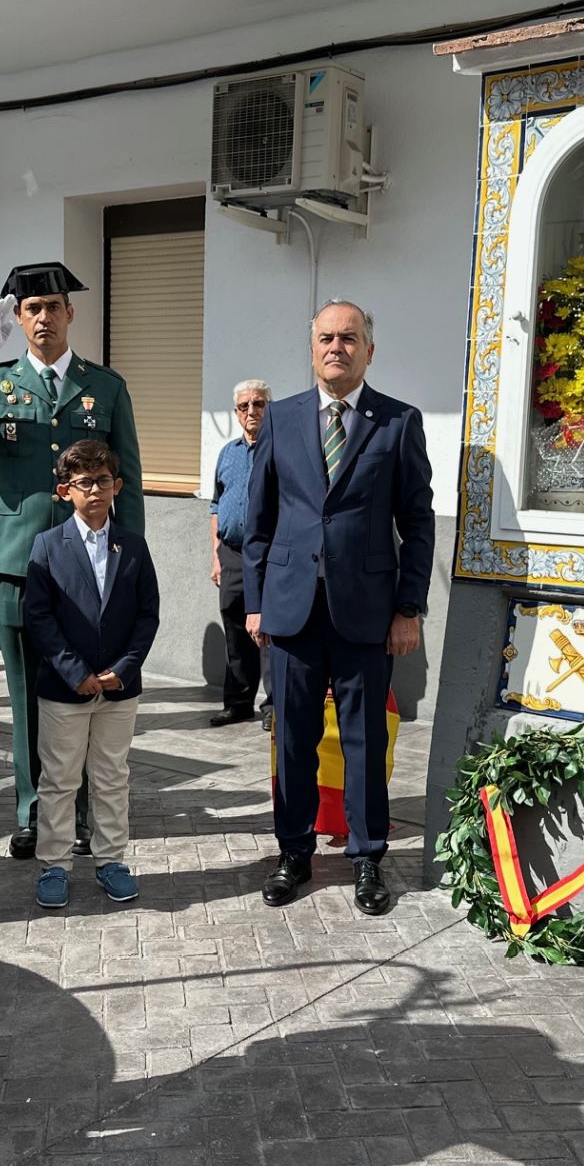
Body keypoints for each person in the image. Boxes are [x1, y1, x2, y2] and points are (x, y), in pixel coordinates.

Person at [0, 263, 144, 859]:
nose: (44, 317)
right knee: (25, 692)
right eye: (31, 309)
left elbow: (126, 476)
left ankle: (78, 812)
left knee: (81, 688)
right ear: (18, 319)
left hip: (89, 562)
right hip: (18, 558)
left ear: (71, 313)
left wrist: (129, 563)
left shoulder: (105, 386)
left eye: (53, 306)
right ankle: (31, 810)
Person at [245, 300, 434, 917]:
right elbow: (260, 520)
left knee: (363, 740)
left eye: (349, 338)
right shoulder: (282, 418)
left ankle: (367, 858)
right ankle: (293, 854)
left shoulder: (398, 422)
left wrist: (409, 608)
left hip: (367, 612)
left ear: (368, 351)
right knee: (293, 740)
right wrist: (256, 603)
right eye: (326, 338)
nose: (336, 347)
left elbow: (417, 521)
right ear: (312, 348)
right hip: (293, 609)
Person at [24, 440, 160, 909]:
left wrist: (123, 670)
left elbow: (147, 615)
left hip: (119, 689)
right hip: (65, 688)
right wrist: (74, 671)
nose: (96, 490)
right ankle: (55, 865)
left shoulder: (134, 545)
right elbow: (38, 617)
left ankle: (110, 860)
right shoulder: (46, 545)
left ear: (117, 486)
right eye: (85, 482)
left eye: (104, 481)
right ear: (66, 490)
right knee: (60, 779)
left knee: (111, 776)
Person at [210, 379, 271, 726]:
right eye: (244, 406)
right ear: (236, 413)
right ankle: (237, 702)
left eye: (259, 404)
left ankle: (273, 707)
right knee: (235, 627)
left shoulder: (281, 450)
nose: (251, 411)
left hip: (270, 555)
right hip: (232, 552)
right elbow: (216, 505)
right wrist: (215, 554)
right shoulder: (227, 453)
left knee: (272, 628)